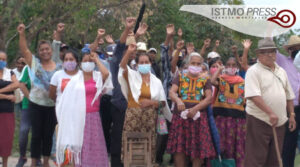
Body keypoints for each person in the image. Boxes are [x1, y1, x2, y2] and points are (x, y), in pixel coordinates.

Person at [52, 47, 112, 167]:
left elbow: (106, 74)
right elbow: (67, 101)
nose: (87, 63)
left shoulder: (97, 77)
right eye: (85, 61)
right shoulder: (75, 80)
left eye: (90, 61)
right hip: (78, 119)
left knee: (95, 148)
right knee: (80, 147)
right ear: (80, 64)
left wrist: (97, 60)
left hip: (93, 118)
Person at [244, 38, 296, 167]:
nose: (270, 55)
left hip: (280, 121)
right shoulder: (253, 71)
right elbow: (254, 96)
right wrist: (270, 113)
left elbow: (289, 96)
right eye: (265, 52)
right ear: (259, 55)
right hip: (259, 119)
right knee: (256, 158)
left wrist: (292, 115)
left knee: (274, 159)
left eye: (272, 51)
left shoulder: (281, 71)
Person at [17, 23, 63, 167]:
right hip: (35, 105)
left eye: (47, 49)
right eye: (42, 49)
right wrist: (22, 33)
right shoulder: (34, 63)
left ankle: (45, 162)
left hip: (52, 105)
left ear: (51, 51)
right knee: (36, 135)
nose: (45, 52)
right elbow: (24, 50)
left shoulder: (58, 65)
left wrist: (59, 34)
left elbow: (57, 45)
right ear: (39, 52)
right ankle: (33, 162)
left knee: (48, 135)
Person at [118, 43, 172, 164]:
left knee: (146, 153)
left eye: (146, 62)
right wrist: (128, 52)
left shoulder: (156, 81)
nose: (144, 64)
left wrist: (151, 102)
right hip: (133, 120)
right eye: (141, 63)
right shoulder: (132, 76)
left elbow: (163, 103)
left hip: (149, 120)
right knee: (131, 151)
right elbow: (122, 67)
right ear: (136, 65)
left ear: (150, 63)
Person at [109, 17, 147, 167]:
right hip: (119, 108)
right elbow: (120, 48)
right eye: (131, 48)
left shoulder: (133, 68)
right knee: (118, 143)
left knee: (132, 143)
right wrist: (127, 29)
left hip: (133, 110)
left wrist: (136, 36)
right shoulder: (115, 63)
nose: (133, 51)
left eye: (135, 48)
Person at [167, 52, 216, 167]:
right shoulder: (180, 76)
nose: (195, 65)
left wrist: (195, 109)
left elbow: (209, 98)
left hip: (198, 118)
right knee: (179, 148)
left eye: (198, 64)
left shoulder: (205, 79)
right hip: (180, 118)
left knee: (198, 149)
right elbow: (171, 92)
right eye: (193, 63)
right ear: (188, 63)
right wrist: (178, 101)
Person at [211, 57, 246, 167]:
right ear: (225, 67)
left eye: (233, 65)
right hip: (222, 119)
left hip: (238, 120)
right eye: (228, 65)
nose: (231, 67)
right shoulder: (221, 80)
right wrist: (219, 69)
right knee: (221, 145)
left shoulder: (243, 82)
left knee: (237, 145)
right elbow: (211, 81)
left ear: (237, 68)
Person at [276, 35, 300, 167]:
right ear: (289, 50)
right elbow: (270, 45)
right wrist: (269, 28)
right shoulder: (283, 61)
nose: (297, 50)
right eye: (294, 48)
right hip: (291, 109)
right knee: (289, 145)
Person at [0, 51, 19, 167]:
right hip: (6, 103)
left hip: (7, 111)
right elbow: (11, 86)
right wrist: (7, 96)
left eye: (3, 59)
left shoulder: (9, 72)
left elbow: (16, 85)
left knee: (6, 139)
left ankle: (5, 164)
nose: (1, 61)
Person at [16, 63, 32, 167]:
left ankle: (37, 158)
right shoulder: (27, 68)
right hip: (28, 104)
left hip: (42, 105)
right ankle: (22, 156)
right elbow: (20, 84)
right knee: (23, 131)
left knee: (38, 133)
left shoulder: (46, 67)